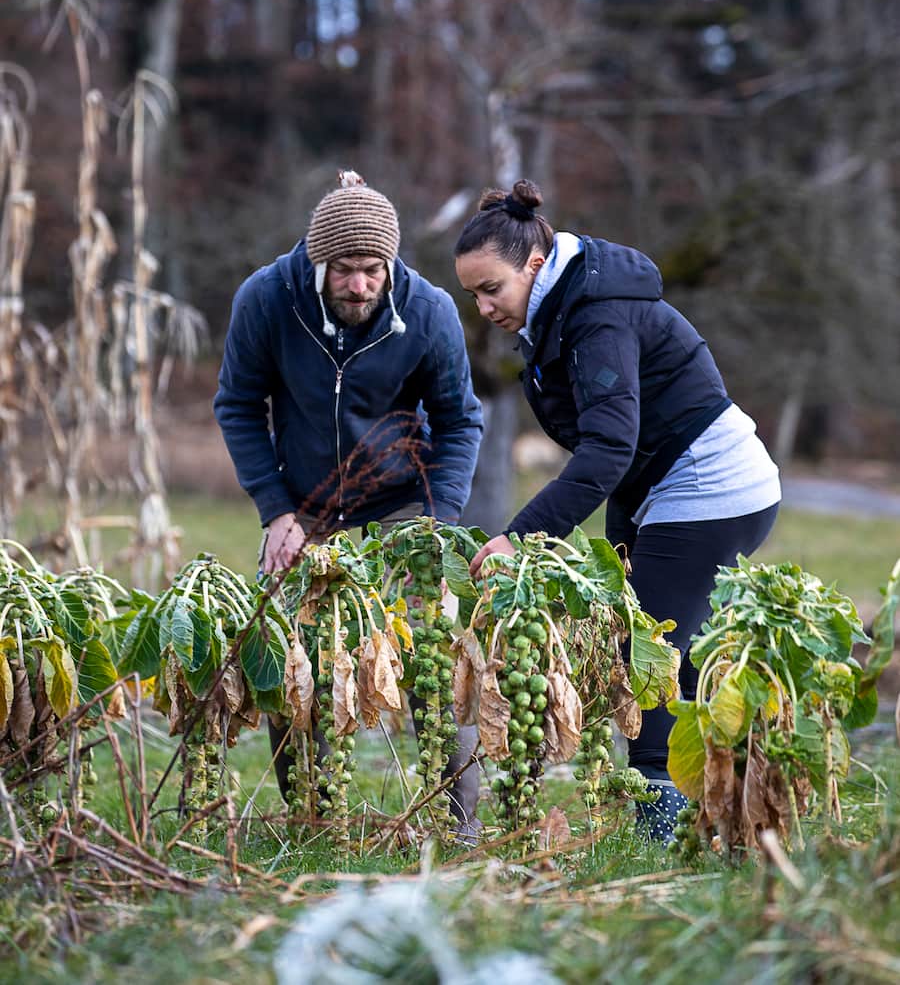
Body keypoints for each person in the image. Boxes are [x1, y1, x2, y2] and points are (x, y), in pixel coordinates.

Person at [454, 179, 781, 841]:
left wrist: (521, 536)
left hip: (712, 487)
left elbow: (607, 449)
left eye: (492, 288)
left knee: (649, 653)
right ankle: (724, 814)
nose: (485, 306)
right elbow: (617, 455)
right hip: (661, 487)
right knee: (672, 649)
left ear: (536, 265)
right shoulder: (562, 309)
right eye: (474, 295)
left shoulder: (596, 314)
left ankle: (659, 833)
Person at [214, 169, 484, 840]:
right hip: (303, 506)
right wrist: (276, 509)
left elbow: (459, 420)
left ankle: (460, 828)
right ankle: (314, 819)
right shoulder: (266, 302)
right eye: (344, 270)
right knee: (289, 657)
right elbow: (238, 406)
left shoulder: (427, 312)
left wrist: (435, 523)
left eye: (372, 270)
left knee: (432, 658)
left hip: (400, 500)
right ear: (317, 263)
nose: (360, 286)